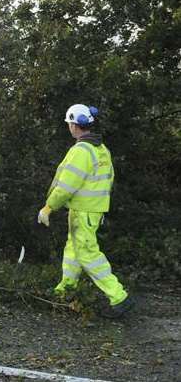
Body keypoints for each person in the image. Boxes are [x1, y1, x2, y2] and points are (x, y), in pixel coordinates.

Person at [38, 104, 133, 318]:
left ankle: (119, 297)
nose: (69, 127)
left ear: (74, 125)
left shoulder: (80, 151)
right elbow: (107, 181)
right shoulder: (101, 149)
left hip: (83, 212)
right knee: (73, 251)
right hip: (91, 212)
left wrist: (48, 207)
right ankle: (65, 290)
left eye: (69, 124)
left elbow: (67, 185)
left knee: (88, 255)